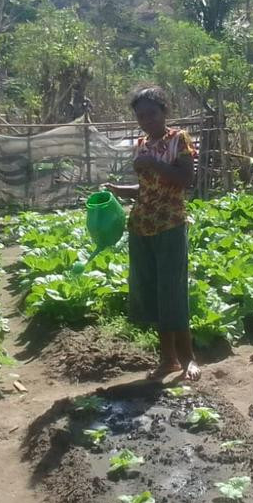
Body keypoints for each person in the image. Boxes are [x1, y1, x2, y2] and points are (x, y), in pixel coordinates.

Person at [106, 85, 200, 382]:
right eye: (141, 116)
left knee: (172, 291)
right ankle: (167, 359)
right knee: (153, 293)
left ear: (164, 112)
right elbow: (148, 189)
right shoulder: (142, 143)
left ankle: (188, 359)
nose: (146, 120)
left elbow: (184, 180)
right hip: (142, 226)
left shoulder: (179, 140)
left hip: (170, 226)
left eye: (152, 114)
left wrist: (154, 163)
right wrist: (120, 190)